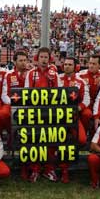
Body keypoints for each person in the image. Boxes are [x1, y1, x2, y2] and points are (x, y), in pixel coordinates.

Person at [24, 47, 60, 182]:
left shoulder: (54, 74)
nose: (44, 60)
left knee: (51, 140)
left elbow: (59, 93)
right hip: (35, 111)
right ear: (37, 59)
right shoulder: (31, 74)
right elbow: (27, 93)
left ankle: (49, 169)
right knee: (35, 140)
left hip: (50, 111)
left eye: (46, 57)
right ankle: (35, 169)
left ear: (50, 59)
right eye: (41, 57)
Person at [77, 54, 100, 131]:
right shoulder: (80, 75)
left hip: (99, 104)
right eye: (90, 63)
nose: (91, 66)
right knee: (86, 114)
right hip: (86, 104)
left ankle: (99, 133)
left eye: (94, 64)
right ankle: (84, 132)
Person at [0, 50, 29, 131]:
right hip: (12, 103)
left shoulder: (31, 73)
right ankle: (11, 132)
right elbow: (4, 95)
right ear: (15, 62)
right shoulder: (8, 74)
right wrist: (13, 104)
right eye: (20, 60)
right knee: (3, 114)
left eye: (25, 60)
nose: (23, 63)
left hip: (29, 103)